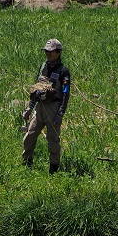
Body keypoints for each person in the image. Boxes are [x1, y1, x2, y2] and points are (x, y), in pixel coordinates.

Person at [22, 38, 70, 173]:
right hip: (39, 107)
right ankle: (26, 166)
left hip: (53, 108)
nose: (47, 53)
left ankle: (53, 170)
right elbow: (36, 88)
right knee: (29, 136)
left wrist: (60, 114)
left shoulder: (63, 71)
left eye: (51, 51)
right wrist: (29, 108)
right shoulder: (43, 66)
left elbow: (66, 94)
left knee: (53, 141)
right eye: (46, 51)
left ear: (58, 52)